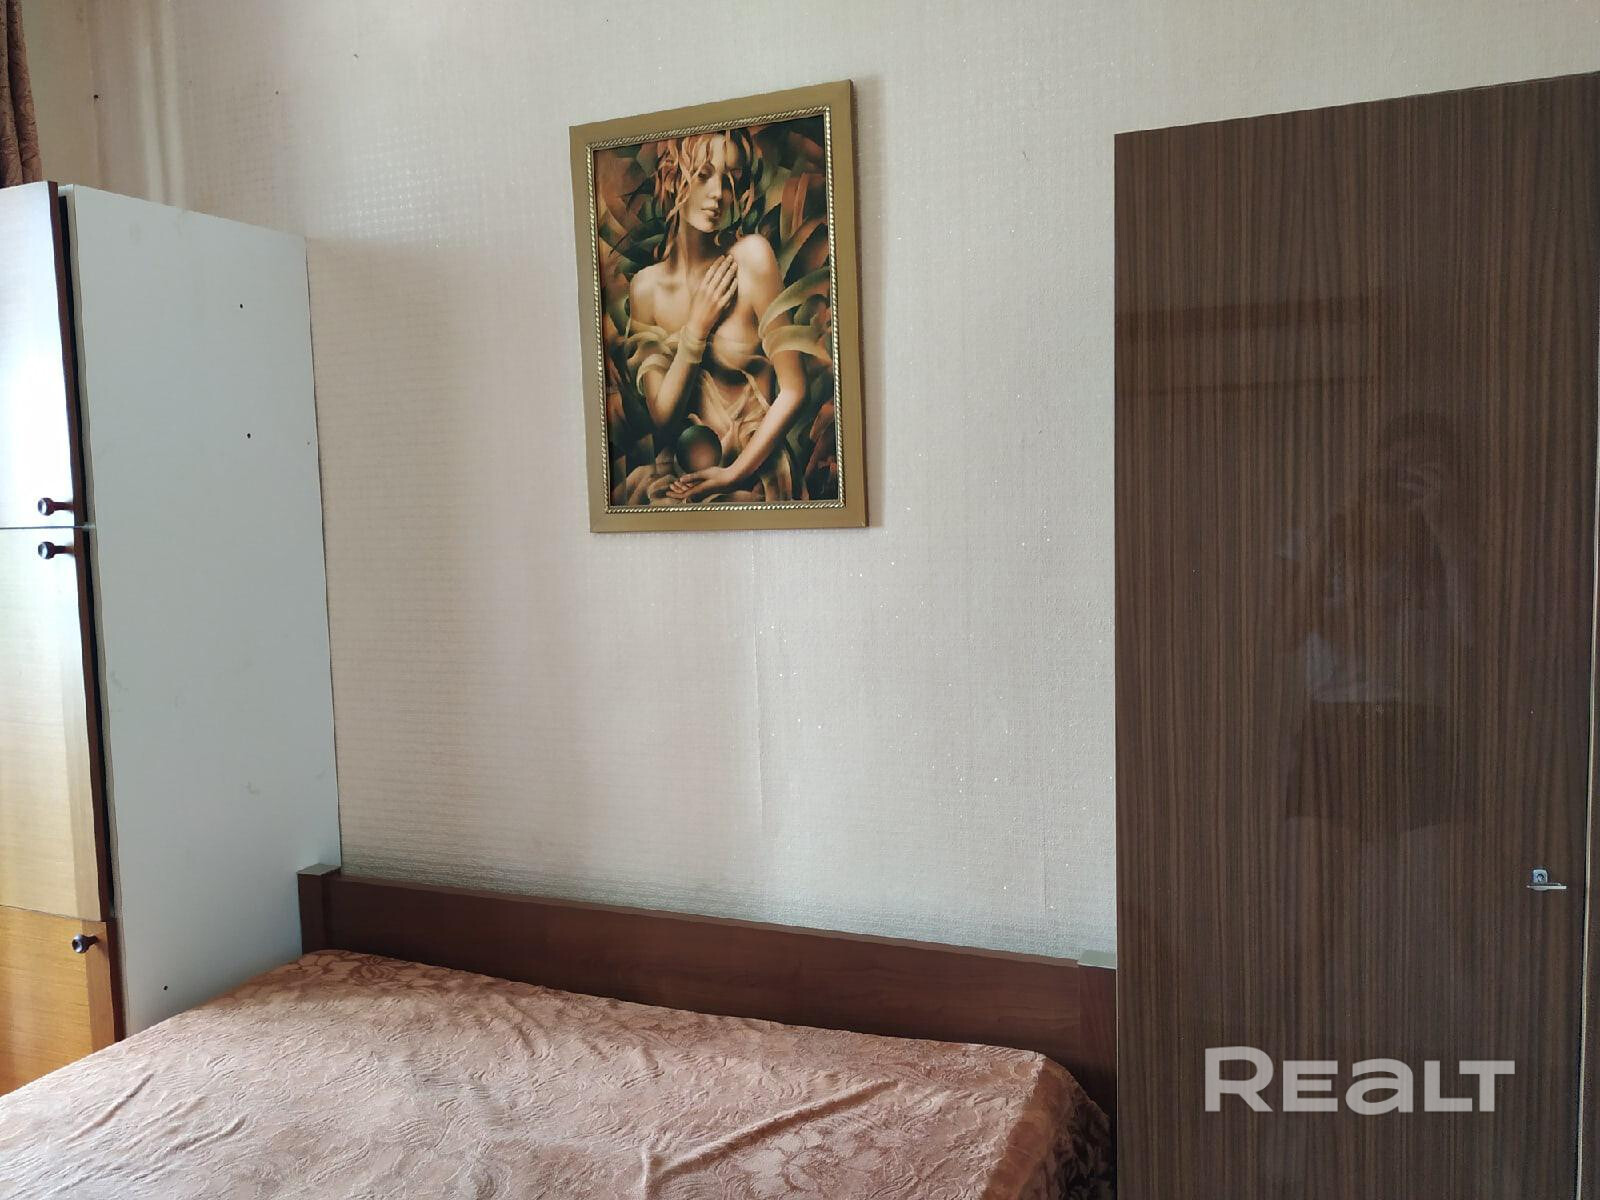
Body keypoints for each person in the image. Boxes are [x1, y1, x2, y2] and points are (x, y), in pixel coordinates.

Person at [619, 130, 808, 505]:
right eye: (703, 175)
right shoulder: (646, 288)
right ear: (673, 177)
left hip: (754, 476)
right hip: (682, 479)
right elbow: (663, 421)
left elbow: (794, 389)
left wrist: (732, 475)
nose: (719, 193)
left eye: (730, 179)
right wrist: (696, 329)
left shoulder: (752, 258)